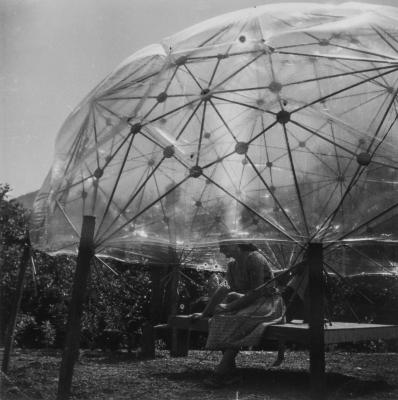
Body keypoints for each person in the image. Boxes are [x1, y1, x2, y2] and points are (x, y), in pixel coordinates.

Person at [191, 241, 285, 381]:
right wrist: (205, 313)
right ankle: (231, 370)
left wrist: (229, 307)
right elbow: (223, 288)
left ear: (236, 244)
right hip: (247, 303)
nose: (221, 250)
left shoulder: (254, 259)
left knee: (236, 319)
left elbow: (256, 292)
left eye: (224, 246)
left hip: (268, 303)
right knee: (219, 318)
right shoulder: (232, 265)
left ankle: (221, 372)